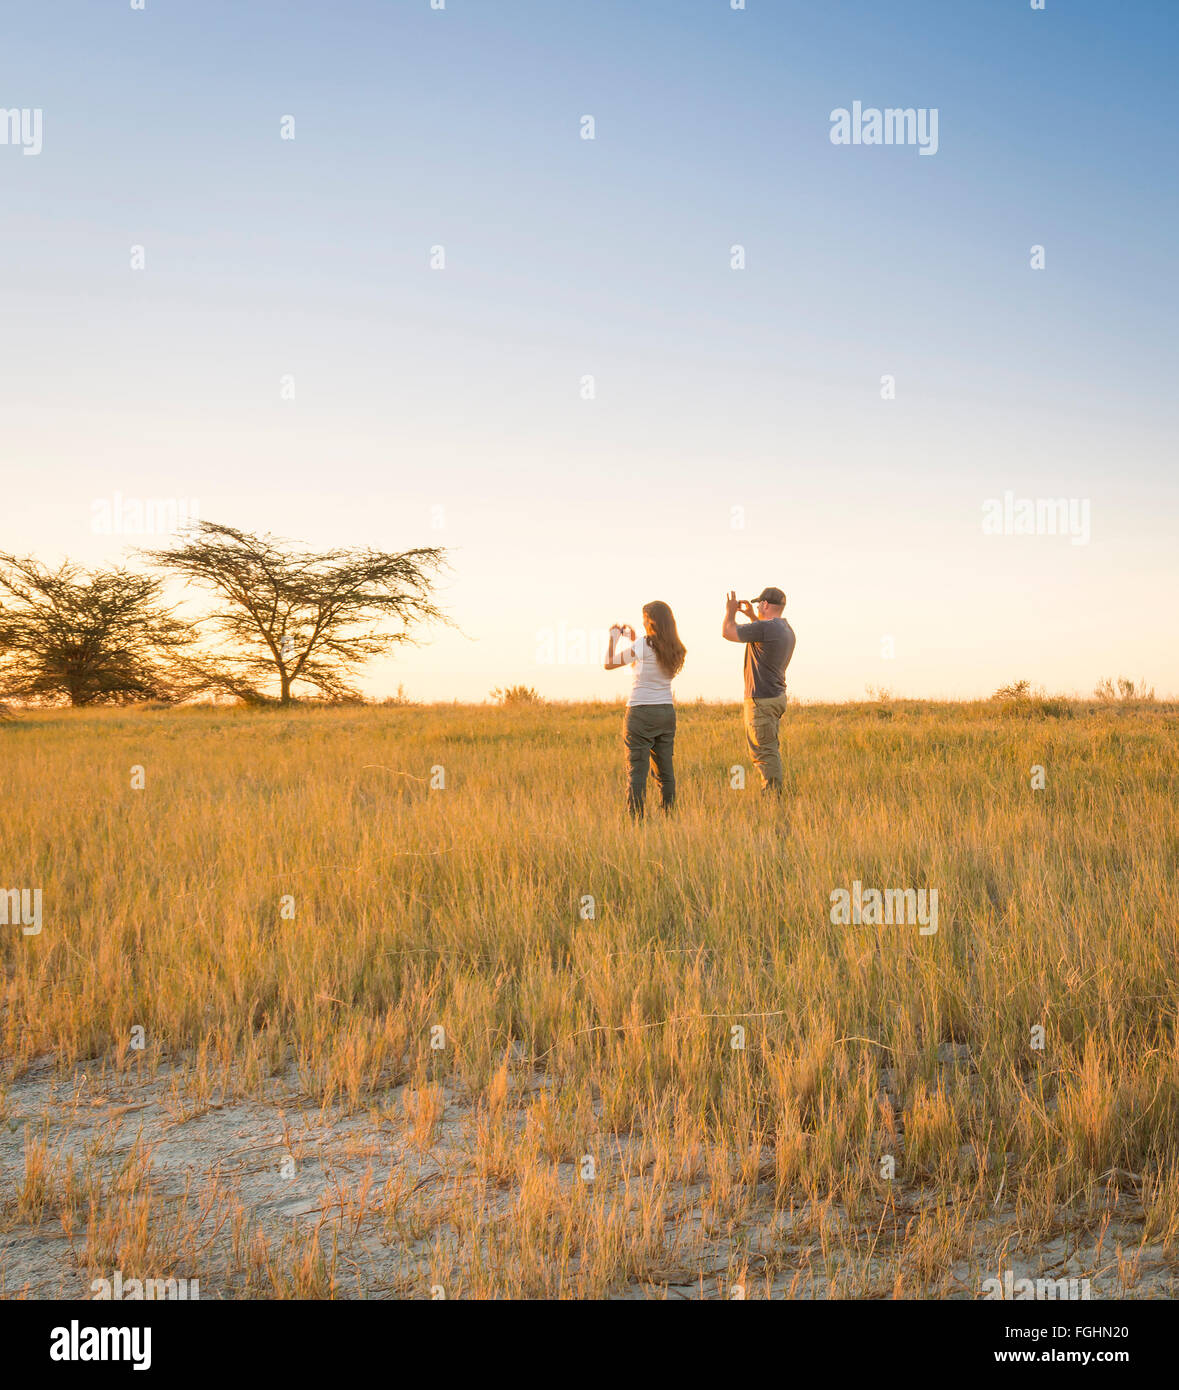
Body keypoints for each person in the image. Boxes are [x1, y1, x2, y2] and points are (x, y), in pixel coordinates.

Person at [604, 601, 686, 817]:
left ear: (651, 621)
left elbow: (609, 663)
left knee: (637, 771)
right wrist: (633, 639)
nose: (642, 622)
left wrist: (613, 639)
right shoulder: (674, 647)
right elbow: (647, 663)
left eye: (644, 618)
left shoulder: (644, 645)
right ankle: (669, 816)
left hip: (640, 712)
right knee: (665, 771)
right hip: (666, 712)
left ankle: (636, 820)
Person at [722, 586, 796, 795]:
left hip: (761, 699)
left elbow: (727, 632)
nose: (756, 608)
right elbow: (763, 635)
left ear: (765, 604)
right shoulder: (785, 629)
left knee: (764, 753)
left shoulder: (766, 628)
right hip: (775, 696)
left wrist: (730, 611)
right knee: (769, 747)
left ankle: (772, 798)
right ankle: (773, 794)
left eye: (758, 605)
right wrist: (751, 616)